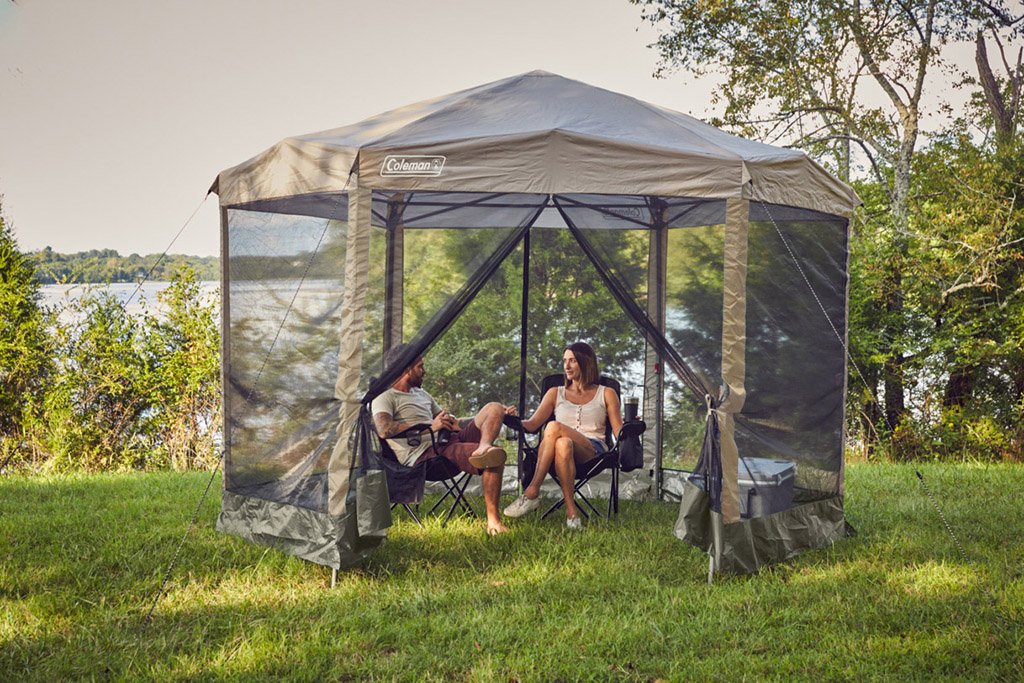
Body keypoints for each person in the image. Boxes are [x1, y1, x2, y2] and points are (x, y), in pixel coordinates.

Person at [371, 343, 515, 536]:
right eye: (420, 366)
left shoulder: (422, 394)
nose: (425, 371)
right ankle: (493, 523)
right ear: (406, 369)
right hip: (427, 456)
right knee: (494, 457)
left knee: (494, 407)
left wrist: (482, 419)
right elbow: (384, 429)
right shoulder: (385, 396)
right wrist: (431, 428)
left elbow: (450, 421)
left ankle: (484, 446)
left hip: (447, 441)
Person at [503, 341, 622, 529]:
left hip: (592, 450)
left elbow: (618, 431)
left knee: (553, 427)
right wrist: (512, 419)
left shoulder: (606, 393)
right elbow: (532, 425)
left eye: (572, 361)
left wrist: (632, 424)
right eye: (564, 360)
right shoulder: (555, 393)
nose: (566, 366)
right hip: (558, 450)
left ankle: (532, 490)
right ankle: (572, 514)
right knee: (563, 443)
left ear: (586, 362)